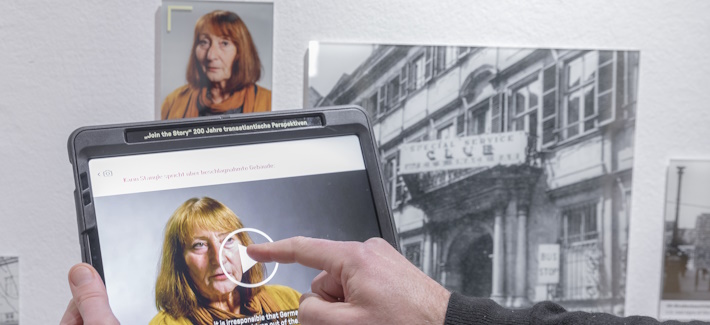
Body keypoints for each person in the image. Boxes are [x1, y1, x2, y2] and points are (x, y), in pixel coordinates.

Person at [62, 237, 709, 325]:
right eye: (198, 246)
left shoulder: (294, 302)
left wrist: (442, 315)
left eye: (227, 237)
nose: (219, 257)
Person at [151, 197, 299, 324]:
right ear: (179, 261)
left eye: (228, 240)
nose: (218, 258)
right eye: (199, 245)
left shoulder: (288, 298)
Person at [161, 10, 271, 120]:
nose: (211, 56)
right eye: (204, 42)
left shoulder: (268, 102)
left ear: (240, 52)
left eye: (224, 43)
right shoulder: (173, 101)